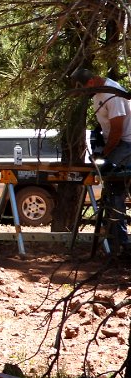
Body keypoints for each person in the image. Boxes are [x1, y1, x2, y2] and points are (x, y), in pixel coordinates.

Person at [71, 68, 131, 252]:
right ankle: (115, 240)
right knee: (112, 192)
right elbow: (105, 124)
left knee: (116, 189)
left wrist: (104, 154)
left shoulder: (112, 93)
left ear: (90, 83)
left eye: (82, 89)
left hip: (126, 144)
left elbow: (117, 130)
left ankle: (122, 242)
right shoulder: (98, 94)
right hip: (116, 144)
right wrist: (97, 137)